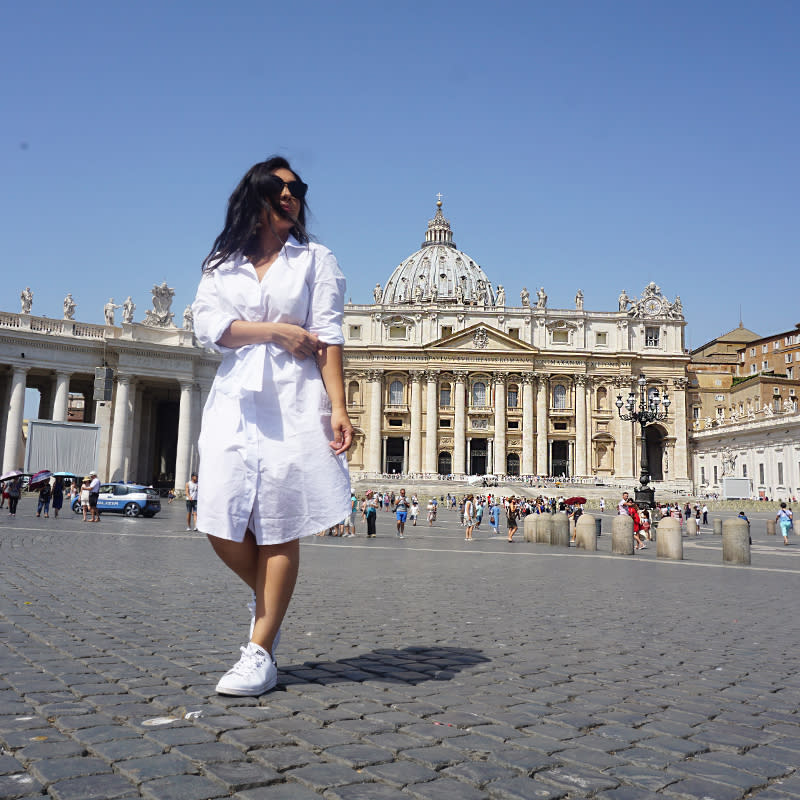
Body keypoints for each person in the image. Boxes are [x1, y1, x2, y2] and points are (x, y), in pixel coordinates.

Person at [192, 157, 352, 697]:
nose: (291, 195)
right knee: (218, 517)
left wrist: (339, 406)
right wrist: (278, 331)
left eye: (297, 188)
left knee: (281, 521)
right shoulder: (221, 263)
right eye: (279, 187)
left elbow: (328, 338)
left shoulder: (317, 260)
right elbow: (208, 329)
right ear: (254, 195)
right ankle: (271, 607)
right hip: (234, 399)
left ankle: (260, 650)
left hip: (294, 399)